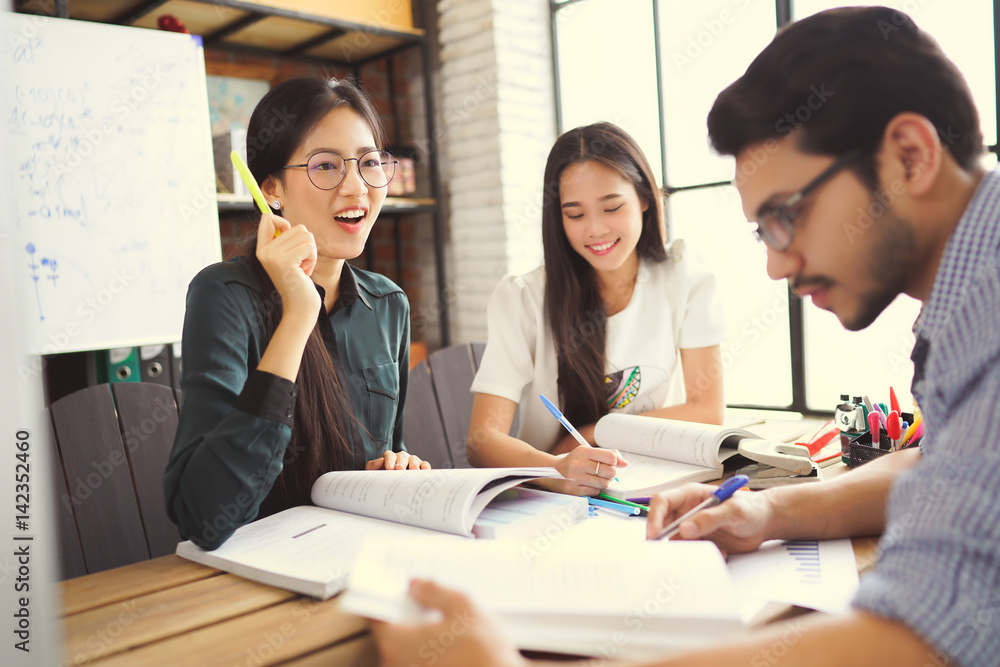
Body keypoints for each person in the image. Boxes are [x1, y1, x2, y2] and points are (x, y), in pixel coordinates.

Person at [370, 7, 1000, 666]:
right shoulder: (967, 297)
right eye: (763, 231)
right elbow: (937, 467)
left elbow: (918, 639)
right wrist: (772, 513)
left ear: (909, 156)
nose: (775, 265)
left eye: (786, 217)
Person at [164, 78, 430, 551]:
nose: (357, 187)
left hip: (361, 559)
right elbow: (202, 517)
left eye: (369, 163)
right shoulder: (223, 296)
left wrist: (398, 466)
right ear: (272, 190)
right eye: (325, 166)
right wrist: (298, 314)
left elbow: (391, 446)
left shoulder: (389, 304)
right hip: (259, 576)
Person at [467, 122, 726, 495]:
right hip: (552, 494)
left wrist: (595, 432)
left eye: (612, 207)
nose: (596, 230)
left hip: (648, 484)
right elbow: (481, 440)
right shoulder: (524, 297)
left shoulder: (685, 277)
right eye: (575, 214)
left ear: (644, 199)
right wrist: (557, 466)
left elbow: (707, 411)